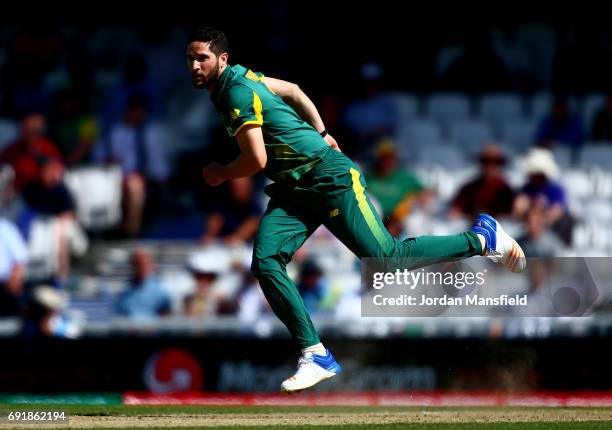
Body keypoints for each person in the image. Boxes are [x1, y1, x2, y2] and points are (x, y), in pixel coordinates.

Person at [187, 27, 526, 393]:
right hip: (295, 188)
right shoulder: (244, 79)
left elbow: (256, 157)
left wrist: (221, 172)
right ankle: (314, 352)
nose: (194, 65)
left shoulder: (235, 90)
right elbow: (296, 92)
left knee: (386, 258)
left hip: (328, 178)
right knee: (266, 260)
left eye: (202, 58)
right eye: (190, 58)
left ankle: (480, 238)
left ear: (222, 59)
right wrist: (321, 129)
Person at [449, 144, 515, 220]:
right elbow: (455, 212)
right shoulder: (469, 189)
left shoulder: (506, 190)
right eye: (486, 161)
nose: (491, 166)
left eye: (496, 162)